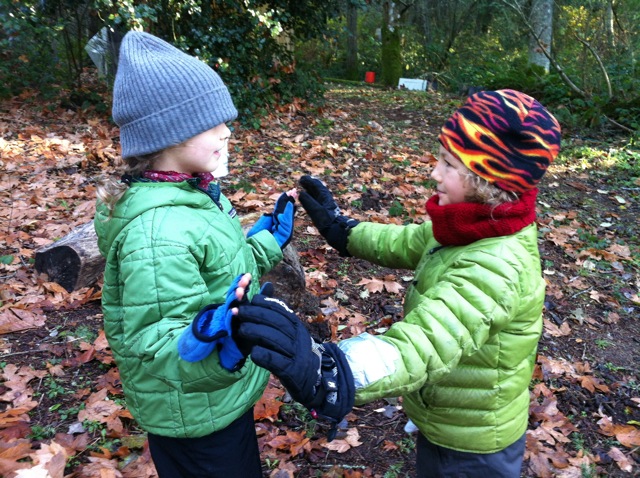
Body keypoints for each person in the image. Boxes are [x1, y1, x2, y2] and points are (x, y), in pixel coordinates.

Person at [234, 89, 561, 477]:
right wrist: (344, 231)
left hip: (473, 445)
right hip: (444, 415)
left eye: (449, 164)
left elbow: (426, 341)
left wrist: (335, 372)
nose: (435, 173)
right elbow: (407, 241)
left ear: (487, 180)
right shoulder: (473, 223)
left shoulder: (497, 266)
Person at [94, 31, 296, 477]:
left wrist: (264, 245)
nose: (227, 130)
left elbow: (218, 277)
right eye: (213, 122)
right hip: (192, 415)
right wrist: (213, 345)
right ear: (171, 133)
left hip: (215, 397)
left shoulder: (192, 195)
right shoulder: (157, 231)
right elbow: (157, 342)